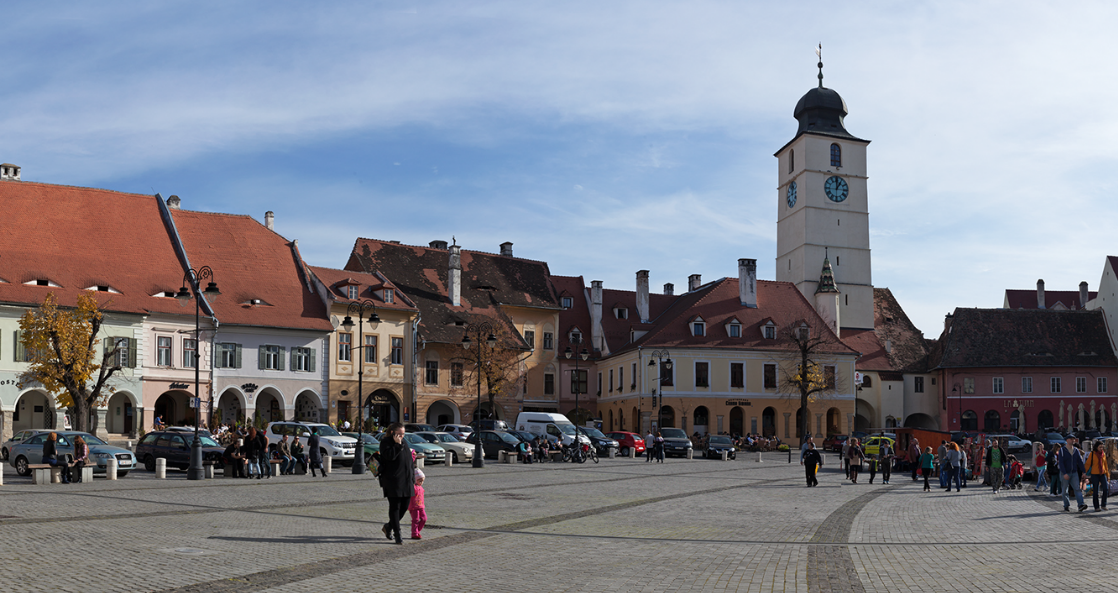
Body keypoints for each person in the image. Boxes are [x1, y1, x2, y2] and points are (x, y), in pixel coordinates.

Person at [377, 423, 415, 545]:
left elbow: (409, 462)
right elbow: (390, 456)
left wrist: (413, 478)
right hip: (393, 481)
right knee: (395, 507)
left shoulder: (404, 442)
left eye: (403, 434)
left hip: (407, 481)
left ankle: (389, 526)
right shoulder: (386, 442)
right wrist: (397, 445)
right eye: (399, 434)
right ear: (392, 432)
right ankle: (397, 534)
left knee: (404, 507)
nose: (401, 436)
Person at [1057, 437, 1087, 512]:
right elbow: (1061, 463)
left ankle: (1081, 505)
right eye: (1071, 439)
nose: (1073, 440)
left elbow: (1080, 461)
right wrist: (1064, 473)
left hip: (1074, 473)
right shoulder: (1062, 450)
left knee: (1077, 489)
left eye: (1073, 439)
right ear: (1067, 440)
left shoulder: (1076, 450)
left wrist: (1084, 471)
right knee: (1064, 491)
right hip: (1065, 473)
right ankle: (1066, 505)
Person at [1085, 440, 1109, 512]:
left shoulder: (1103, 454)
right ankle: (1096, 507)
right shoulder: (1092, 454)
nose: (1101, 448)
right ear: (1096, 447)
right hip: (1094, 474)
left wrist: (1108, 475)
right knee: (1096, 491)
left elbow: (1105, 464)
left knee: (1105, 489)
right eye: (1100, 447)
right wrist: (1084, 473)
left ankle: (1103, 505)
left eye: (1102, 447)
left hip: (1102, 473)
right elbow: (1087, 464)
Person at [409, 469, 427, 539]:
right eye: (420, 481)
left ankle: (417, 531)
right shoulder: (413, 487)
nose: (421, 482)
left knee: (424, 519)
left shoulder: (420, 487)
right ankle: (414, 533)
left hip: (421, 506)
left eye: (422, 481)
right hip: (414, 507)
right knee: (415, 520)